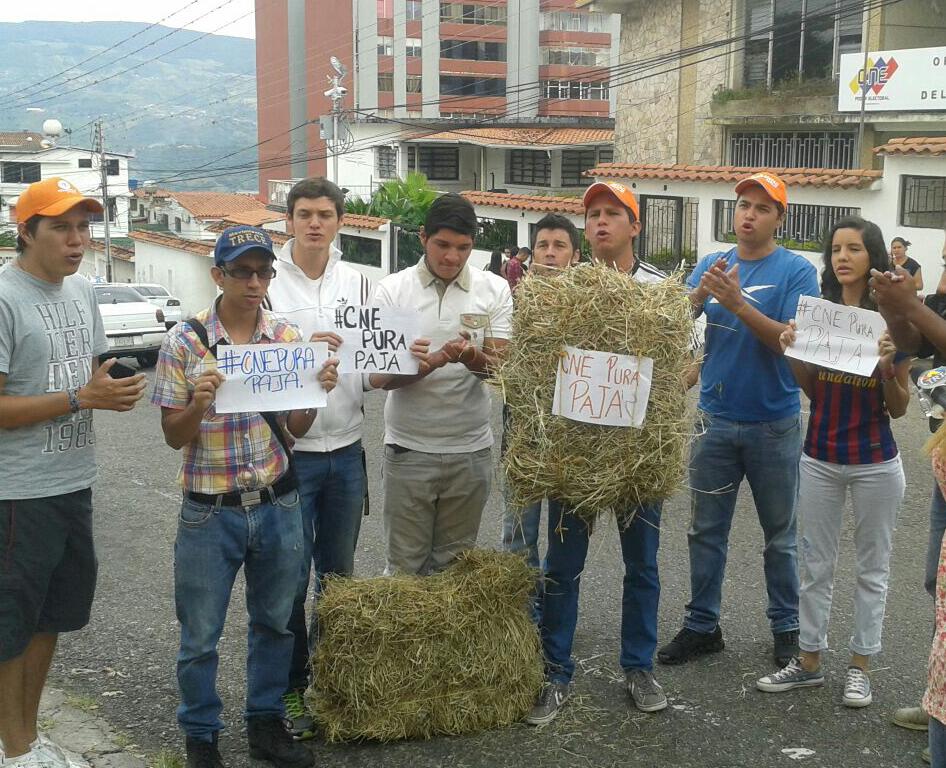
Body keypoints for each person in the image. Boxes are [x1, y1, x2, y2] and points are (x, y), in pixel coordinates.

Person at [152, 225, 338, 768]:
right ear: (219, 275)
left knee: (277, 622)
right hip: (210, 508)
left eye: (263, 272)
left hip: (277, 502)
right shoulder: (185, 342)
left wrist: (316, 390)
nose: (255, 282)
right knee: (201, 633)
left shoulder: (283, 338)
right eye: (242, 271)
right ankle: (201, 735)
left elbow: (296, 428)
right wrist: (200, 402)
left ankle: (265, 723)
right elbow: (173, 436)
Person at [0, 178, 147, 768]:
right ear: (26, 231)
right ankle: (12, 748)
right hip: (18, 494)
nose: (77, 239)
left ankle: (26, 737)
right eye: (61, 226)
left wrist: (111, 390)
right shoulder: (5, 297)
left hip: (72, 482)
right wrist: (80, 400)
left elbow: (89, 374)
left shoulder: (84, 293)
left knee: (51, 619)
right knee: (12, 625)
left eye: (84, 227)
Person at [659, 172, 819, 668]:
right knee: (705, 530)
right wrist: (696, 299)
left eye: (761, 207)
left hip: (775, 422)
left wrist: (735, 302)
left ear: (779, 218)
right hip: (714, 419)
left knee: (781, 535)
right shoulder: (713, 263)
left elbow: (790, 342)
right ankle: (702, 625)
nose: (748, 214)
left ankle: (786, 626)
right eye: (743, 205)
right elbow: (675, 327)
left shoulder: (797, 271)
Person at [525, 182, 670, 726]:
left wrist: (654, 398)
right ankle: (555, 671)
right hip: (576, 452)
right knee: (562, 566)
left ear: (635, 226)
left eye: (614, 214)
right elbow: (538, 364)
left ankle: (639, 665)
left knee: (643, 565)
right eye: (593, 215)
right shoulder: (564, 287)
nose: (601, 223)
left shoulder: (661, 289)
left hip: (639, 453)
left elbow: (691, 357)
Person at [755, 217, 909, 707]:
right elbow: (814, 391)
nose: (842, 257)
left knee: (873, 569)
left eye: (855, 249)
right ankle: (809, 661)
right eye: (836, 250)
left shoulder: (892, 319)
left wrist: (887, 369)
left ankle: (861, 666)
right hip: (820, 455)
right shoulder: (819, 315)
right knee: (815, 566)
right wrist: (791, 351)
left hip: (876, 460)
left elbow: (901, 406)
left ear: (873, 257)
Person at [264, 177, 371, 740]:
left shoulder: (359, 282)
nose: (314, 223)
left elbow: (377, 358)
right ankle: (290, 687)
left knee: (339, 577)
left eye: (325, 214)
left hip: (348, 447)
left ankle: (333, 684)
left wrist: (411, 363)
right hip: (289, 453)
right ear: (289, 220)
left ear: (338, 221)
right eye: (304, 213)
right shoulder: (268, 283)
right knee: (287, 578)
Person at [369, 193, 513, 575]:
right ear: (422, 238)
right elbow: (379, 378)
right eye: (442, 245)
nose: (452, 257)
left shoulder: (494, 289)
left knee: (452, 570)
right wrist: (428, 363)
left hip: (471, 449)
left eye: (463, 248)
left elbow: (501, 371)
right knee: (403, 567)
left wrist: (470, 356)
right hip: (408, 448)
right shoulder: (391, 290)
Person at [500, 213, 582, 619]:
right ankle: (522, 622)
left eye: (560, 246)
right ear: (531, 257)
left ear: (576, 256)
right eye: (543, 246)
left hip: (572, 442)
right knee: (518, 537)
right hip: (522, 438)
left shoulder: (591, 310)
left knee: (565, 538)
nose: (550, 254)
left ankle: (555, 621)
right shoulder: (511, 303)